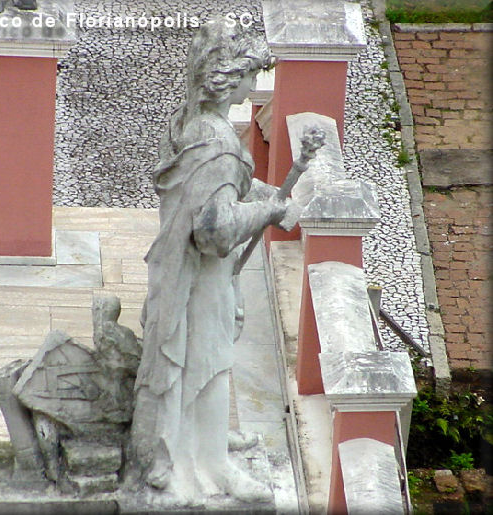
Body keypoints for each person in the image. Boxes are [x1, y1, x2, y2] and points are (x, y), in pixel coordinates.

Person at [126, 18, 292, 503]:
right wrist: (269, 208)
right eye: (248, 75)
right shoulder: (218, 143)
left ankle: (206, 439)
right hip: (202, 277)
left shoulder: (189, 123)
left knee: (199, 362)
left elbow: (217, 190)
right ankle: (213, 464)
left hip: (181, 273)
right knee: (210, 361)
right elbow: (215, 231)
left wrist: (262, 197)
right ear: (226, 76)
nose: (252, 87)